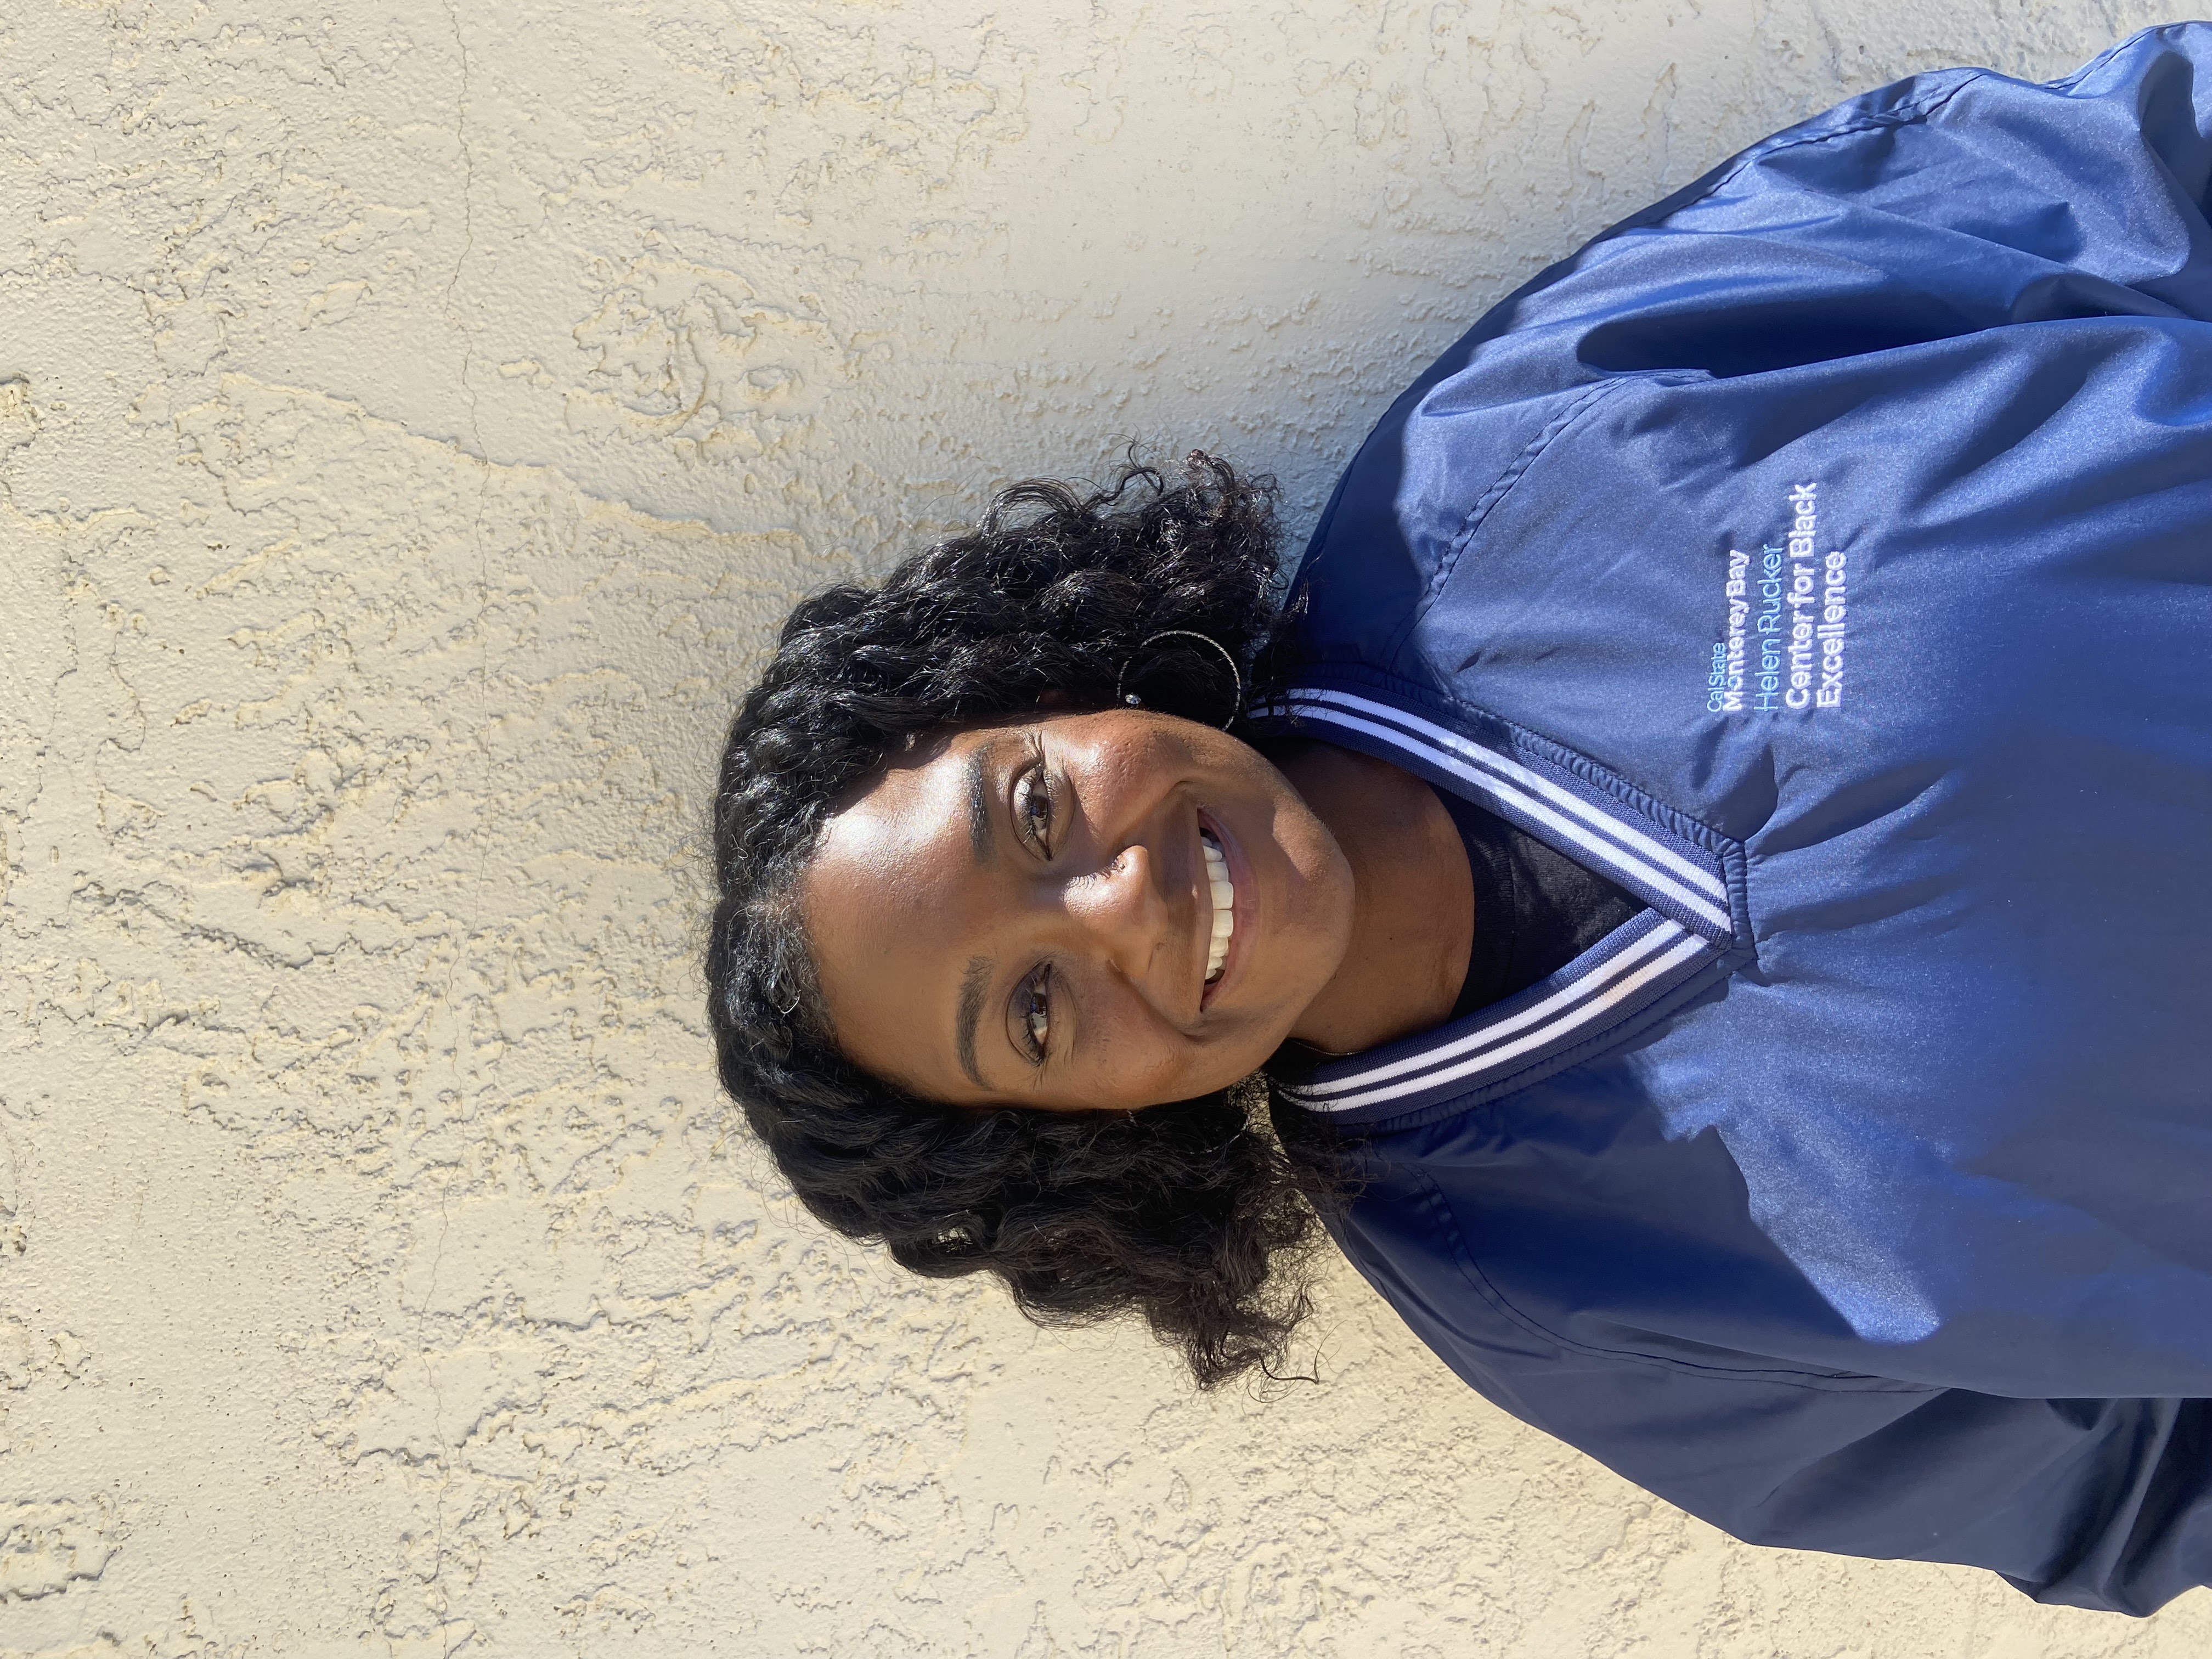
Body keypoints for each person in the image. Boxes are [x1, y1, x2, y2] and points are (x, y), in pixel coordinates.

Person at [707, 24, 2212, 1617]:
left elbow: (2124, 174)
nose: (1120, 904)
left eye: (1033, 810)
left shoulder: (1526, 446)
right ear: (1089, 1134)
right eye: (1032, 1010)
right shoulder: (1560, 1294)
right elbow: (2134, 1495)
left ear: (1059, 686)